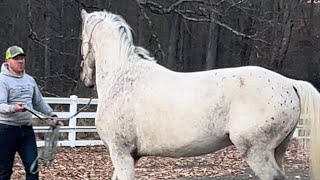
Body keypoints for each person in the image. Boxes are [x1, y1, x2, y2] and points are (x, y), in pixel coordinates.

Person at [0, 45, 62, 180]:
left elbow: (38, 102)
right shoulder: (2, 80)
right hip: (5, 131)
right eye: (16, 59)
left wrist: (52, 115)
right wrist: (13, 108)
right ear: (8, 61)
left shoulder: (29, 80)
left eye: (22, 58)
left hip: (26, 131)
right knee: (4, 171)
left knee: (33, 169)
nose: (20, 61)